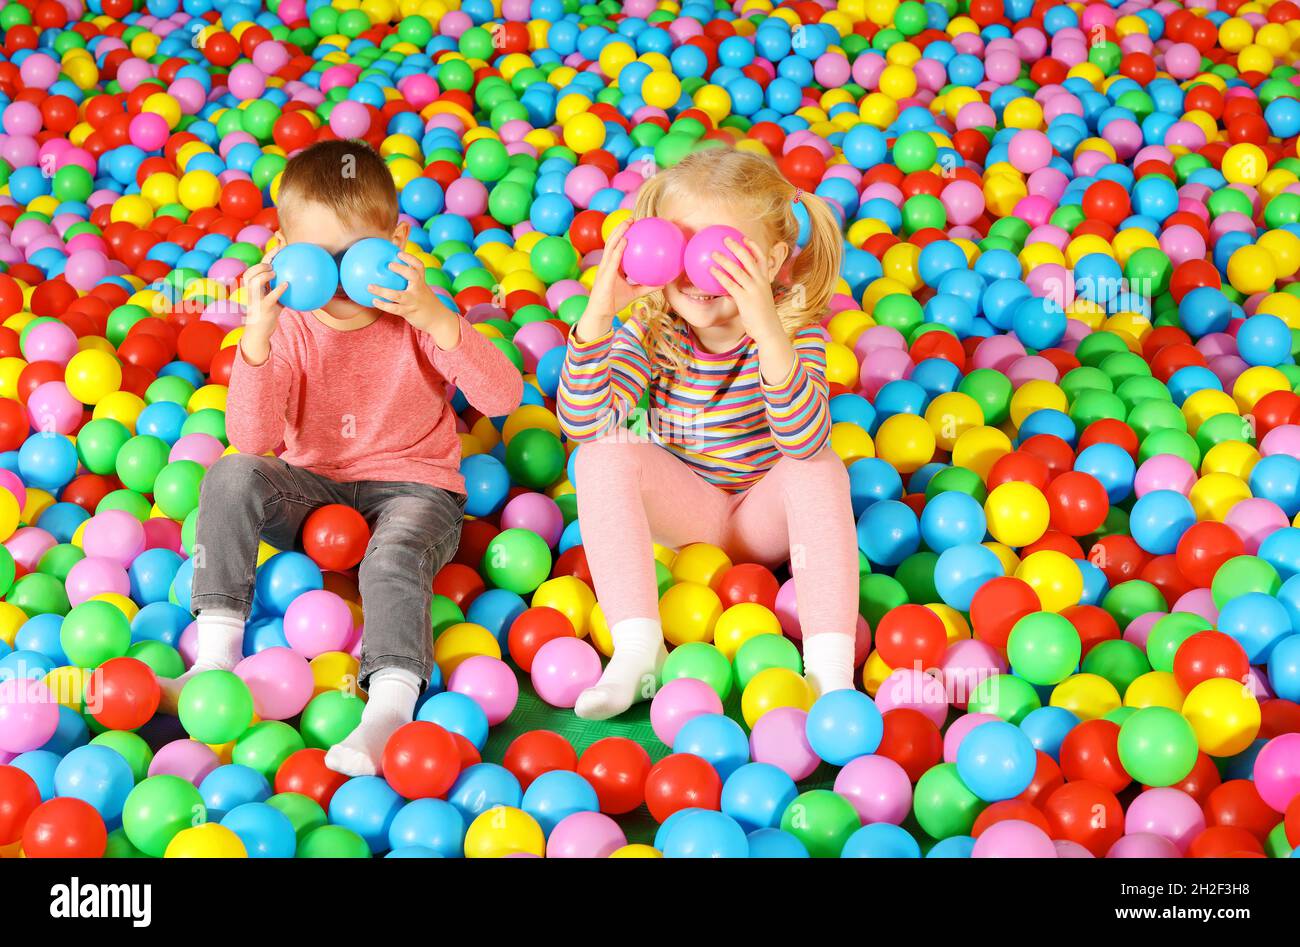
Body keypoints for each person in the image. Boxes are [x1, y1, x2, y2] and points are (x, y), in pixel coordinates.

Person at [162, 139, 523, 776]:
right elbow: (250, 438)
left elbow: (503, 396)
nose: (340, 279)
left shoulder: (416, 313)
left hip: (415, 489)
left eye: (359, 257)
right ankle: (216, 653)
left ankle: (388, 704)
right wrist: (259, 333)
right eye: (318, 260)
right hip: (316, 492)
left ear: (399, 240)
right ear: (282, 251)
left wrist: (438, 318)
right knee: (229, 472)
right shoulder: (291, 325)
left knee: (391, 556)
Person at [557, 147, 857, 721]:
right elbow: (583, 421)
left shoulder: (797, 332)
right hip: (688, 517)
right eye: (680, 249)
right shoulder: (652, 325)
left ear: (770, 263)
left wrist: (768, 332)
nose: (696, 275)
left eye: (718, 255)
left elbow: (802, 440)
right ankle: (638, 649)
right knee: (602, 455)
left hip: (761, 520)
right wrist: (599, 316)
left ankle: (830, 678)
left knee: (820, 468)